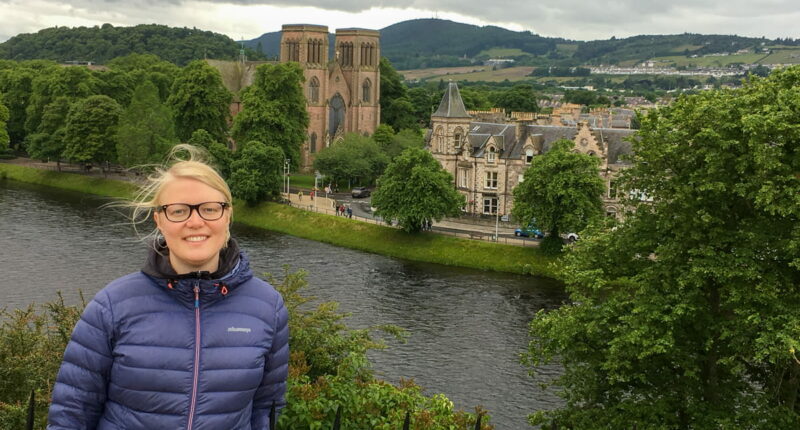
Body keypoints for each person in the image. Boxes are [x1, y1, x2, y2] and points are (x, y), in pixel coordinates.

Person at [47, 145, 289, 430]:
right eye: (178, 211)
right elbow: (71, 414)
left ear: (227, 216)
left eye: (210, 209)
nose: (195, 221)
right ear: (159, 220)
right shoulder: (113, 305)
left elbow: (266, 411)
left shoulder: (267, 307)